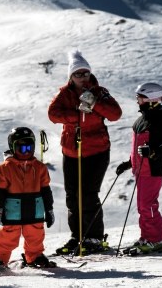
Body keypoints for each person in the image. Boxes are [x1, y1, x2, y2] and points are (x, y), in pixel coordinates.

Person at [47, 50, 122, 254]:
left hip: (97, 151)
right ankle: (77, 236)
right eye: (78, 74)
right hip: (72, 152)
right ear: (71, 76)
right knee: (73, 197)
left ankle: (94, 237)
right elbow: (53, 114)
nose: (83, 77)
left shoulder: (100, 92)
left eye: (85, 73)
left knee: (88, 195)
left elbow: (116, 114)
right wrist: (76, 115)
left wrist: (95, 104)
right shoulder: (64, 94)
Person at [114, 82, 162, 254]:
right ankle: (147, 237)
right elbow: (139, 147)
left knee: (147, 205)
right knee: (143, 206)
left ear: (151, 100)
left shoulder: (160, 120)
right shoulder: (142, 120)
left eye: (140, 98)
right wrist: (129, 163)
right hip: (141, 169)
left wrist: (153, 151)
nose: (137, 101)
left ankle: (156, 239)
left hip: (153, 169)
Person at [0, 127, 56, 276]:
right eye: (22, 148)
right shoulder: (4, 168)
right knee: (8, 237)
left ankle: (34, 257)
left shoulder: (39, 167)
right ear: (12, 147)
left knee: (35, 234)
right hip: (13, 210)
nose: (26, 152)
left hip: (34, 209)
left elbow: (46, 190)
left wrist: (49, 209)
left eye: (29, 148)